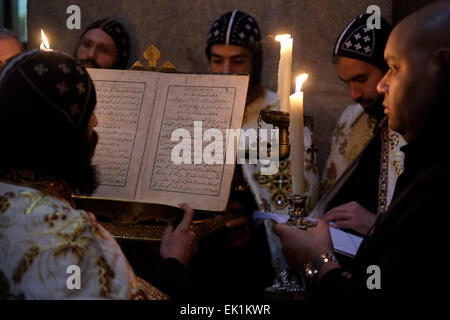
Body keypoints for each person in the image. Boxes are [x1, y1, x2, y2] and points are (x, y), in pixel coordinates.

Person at [274, 0, 450, 300]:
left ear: (442, 67)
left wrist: (320, 261)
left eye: (393, 68)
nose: (383, 86)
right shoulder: (425, 155)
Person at [0, 50, 197, 299]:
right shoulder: (74, 237)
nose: (94, 122)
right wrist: (174, 265)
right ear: (64, 133)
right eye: (88, 112)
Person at [316, 14, 406, 237]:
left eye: (361, 79)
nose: (353, 94)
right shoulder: (351, 118)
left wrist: (378, 225)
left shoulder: (412, 125)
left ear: (388, 67)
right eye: (347, 82)